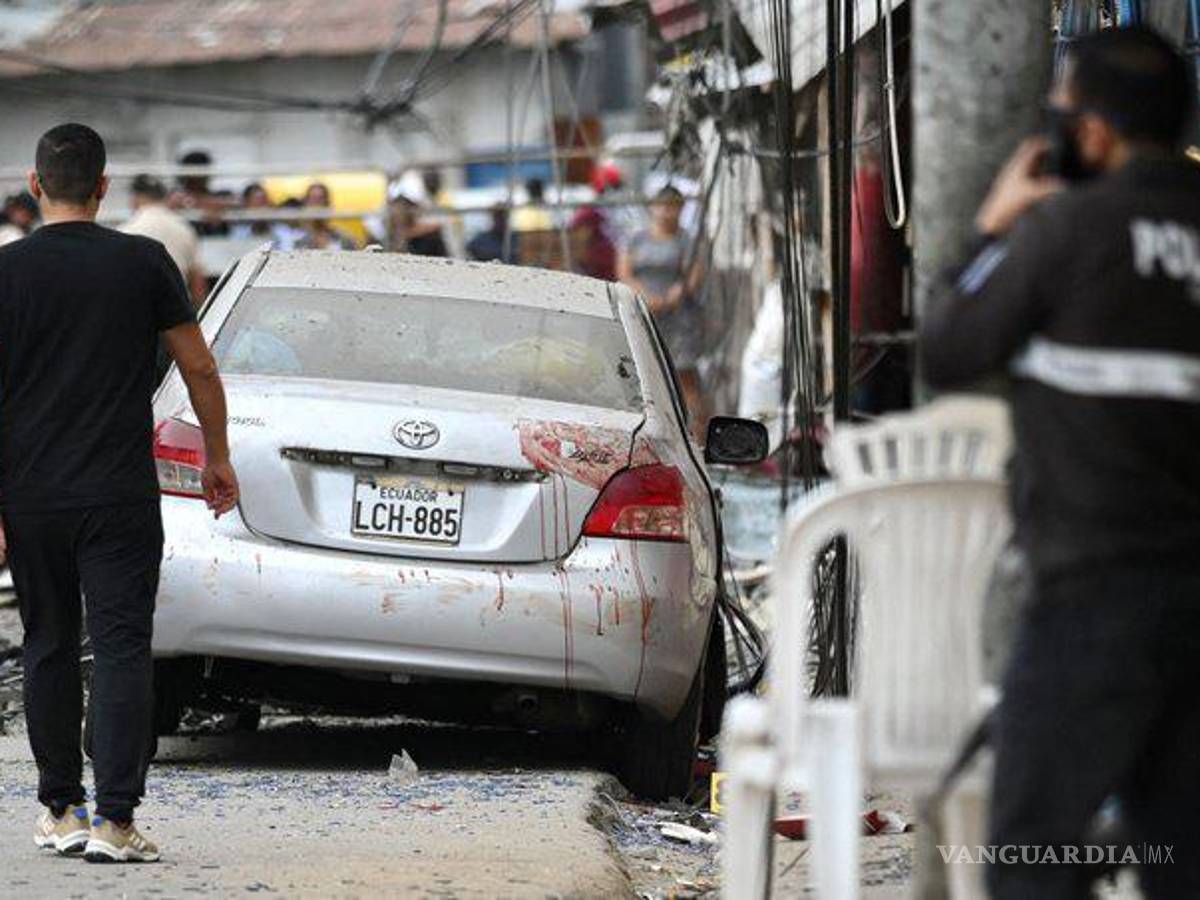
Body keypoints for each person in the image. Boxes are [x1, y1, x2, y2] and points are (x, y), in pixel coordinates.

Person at [919, 28, 1200, 899]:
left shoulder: (1066, 231)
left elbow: (951, 349)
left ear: (1095, 132)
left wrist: (987, 227)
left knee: (1034, 856)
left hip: (1091, 604)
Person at [0, 123, 239, 863]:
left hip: (30, 495)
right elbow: (199, 368)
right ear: (103, 189)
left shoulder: (6, 272)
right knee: (123, 649)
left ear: (37, 187)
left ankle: (61, 810)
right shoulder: (145, 261)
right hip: (119, 493)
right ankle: (116, 822)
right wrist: (218, 459)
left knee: (47, 644)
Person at [618, 185, 706, 438]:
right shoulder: (636, 239)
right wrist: (645, 297)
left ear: (681, 209)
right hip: (643, 315)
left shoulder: (687, 241)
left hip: (679, 318)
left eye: (673, 207)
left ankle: (695, 437)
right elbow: (625, 273)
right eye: (662, 206)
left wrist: (674, 295)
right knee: (641, 372)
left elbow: (693, 275)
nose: (667, 212)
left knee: (684, 375)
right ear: (652, 208)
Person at [120, 174, 208, 305]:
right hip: (177, 308)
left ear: (135, 198)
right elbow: (197, 281)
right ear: (163, 197)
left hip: (140, 308)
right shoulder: (184, 228)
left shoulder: (126, 230)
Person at [296, 182, 357, 251]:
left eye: (320, 199)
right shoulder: (298, 239)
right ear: (306, 203)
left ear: (327, 203)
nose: (317, 204)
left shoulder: (344, 237)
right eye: (313, 199)